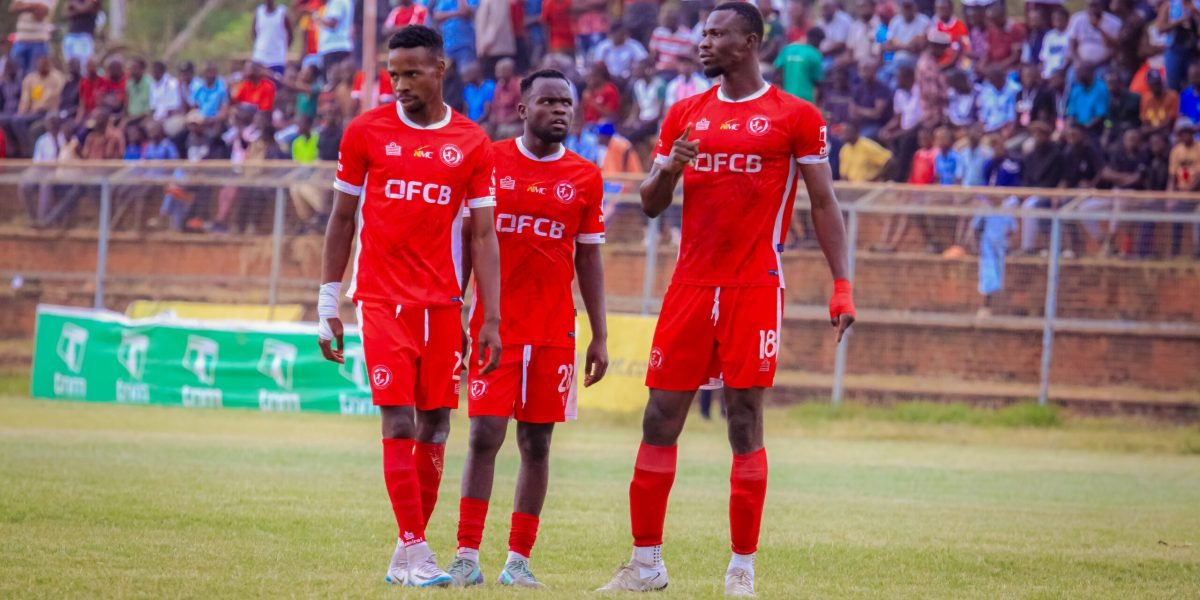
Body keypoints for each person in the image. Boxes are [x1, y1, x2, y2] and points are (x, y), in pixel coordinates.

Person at [597, 4, 855, 595]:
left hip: (754, 285)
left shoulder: (796, 116)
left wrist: (842, 284)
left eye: (716, 33)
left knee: (744, 420)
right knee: (659, 417)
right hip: (690, 285)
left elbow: (823, 203)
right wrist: (670, 169)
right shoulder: (686, 113)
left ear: (749, 42)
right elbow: (653, 201)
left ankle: (741, 569)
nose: (703, 41)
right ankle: (645, 565)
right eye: (703, 32)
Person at [316, 25, 502, 589]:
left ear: (441, 69)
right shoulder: (366, 132)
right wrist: (328, 300)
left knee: (437, 426)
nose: (400, 83)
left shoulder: (471, 141)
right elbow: (342, 219)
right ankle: (418, 548)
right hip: (381, 298)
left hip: (443, 303)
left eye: (412, 72)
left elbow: (484, 237)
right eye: (393, 74)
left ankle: (406, 552)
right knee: (397, 418)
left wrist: (489, 315)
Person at [450, 68, 608, 589]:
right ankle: (466, 554)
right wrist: (457, 308)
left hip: (554, 332)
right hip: (496, 328)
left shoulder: (586, 176)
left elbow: (590, 261)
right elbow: (469, 242)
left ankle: (518, 560)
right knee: (483, 435)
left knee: (537, 443)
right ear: (522, 110)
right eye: (548, 101)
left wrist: (600, 335)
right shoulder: (489, 161)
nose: (560, 109)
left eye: (567, 102)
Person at [774, 26, 824, 103]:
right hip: (805, 100)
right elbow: (819, 82)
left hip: (786, 98)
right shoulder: (815, 54)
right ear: (819, 41)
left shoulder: (787, 49)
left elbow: (777, 73)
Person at [1067, 0, 1121, 71]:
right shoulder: (1078, 19)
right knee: (1071, 75)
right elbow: (1072, 44)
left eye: (1095, 5)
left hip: (1103, 64)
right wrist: (1078, 62)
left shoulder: (1114, 22)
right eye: (1090, 5)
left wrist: (1098, 28)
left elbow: (1115, 48)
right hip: (1081, 63)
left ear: (1102, 6)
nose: (1093, 9)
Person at [9, 0, 55, 78]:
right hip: (20, 40)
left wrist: (24, 6)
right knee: (15, 74)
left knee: (35, 76)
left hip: (39, 41)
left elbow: (41, 13)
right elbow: (13, 7)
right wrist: (34, 6)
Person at [433, 0, 479, 70]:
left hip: (465, 45)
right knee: (448, 76)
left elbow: (466, 12)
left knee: (466, 74)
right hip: (448, 45)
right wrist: (456, 13)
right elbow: (437, 16)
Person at [252, 0, 293, 75]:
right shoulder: (259, 12)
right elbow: (254, 32)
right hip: (259, 58)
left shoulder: (282, 13)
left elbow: (290, 35)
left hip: (277, 59)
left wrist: (283, 50)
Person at [318, 0, 355, 72]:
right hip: (341, 47)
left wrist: (316, 18)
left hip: (334, 48)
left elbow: (332, 23)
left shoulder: (337, 1)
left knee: (333, 79)